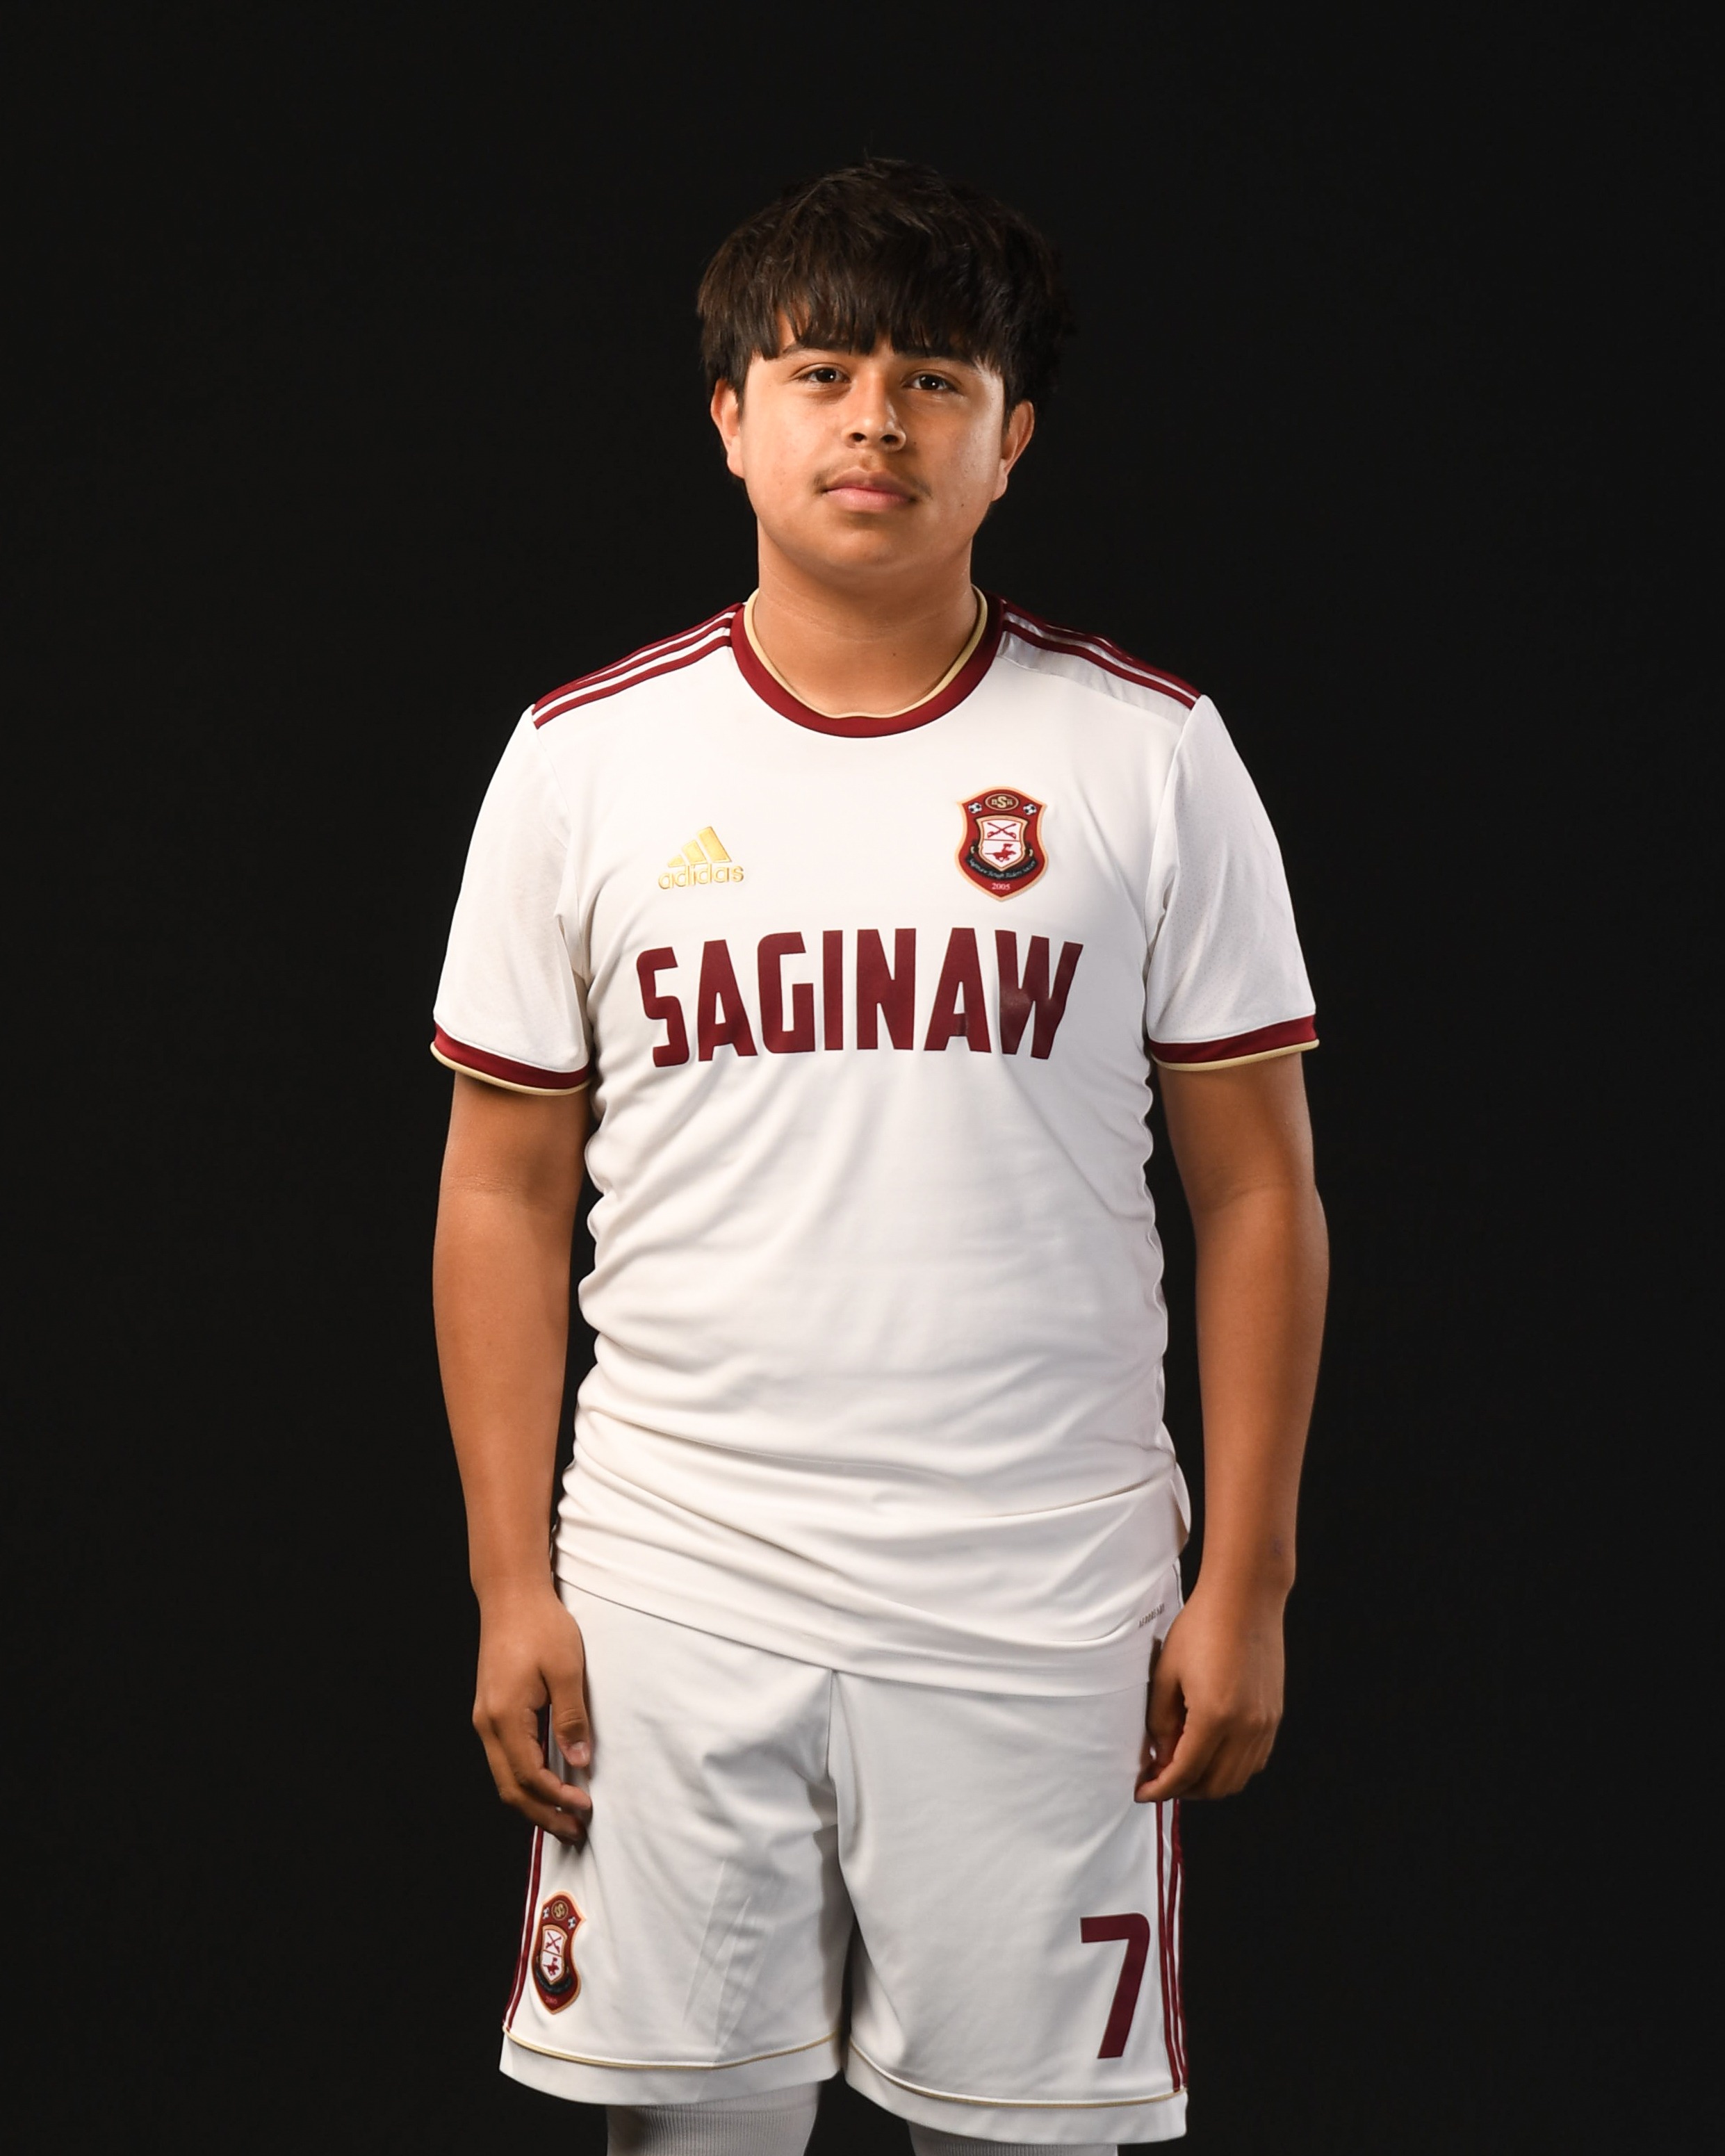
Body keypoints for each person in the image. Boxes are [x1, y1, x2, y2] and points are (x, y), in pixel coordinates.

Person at [431, 158, 1327, 2156]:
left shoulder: (1148, 755)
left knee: (1024, 2142)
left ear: (1011, 441)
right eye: (821, 372)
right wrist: (510, 1579)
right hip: (678, 1582)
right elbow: (501, 1187)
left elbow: (1258, 1189)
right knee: (691, 2136)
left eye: (935, 380)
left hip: (1044, 1597)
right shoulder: (584, 762)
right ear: (729, 417)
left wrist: (1247, 1580)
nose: (875, 422)